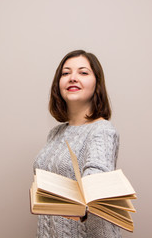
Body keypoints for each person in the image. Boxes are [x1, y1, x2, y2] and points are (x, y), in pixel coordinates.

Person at [33, 50, 122, 238]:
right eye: (65, 73)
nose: (73, 78)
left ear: (97, 83)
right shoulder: (55, 133)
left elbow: (97, 181)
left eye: (83, 72)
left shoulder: (102, 130)